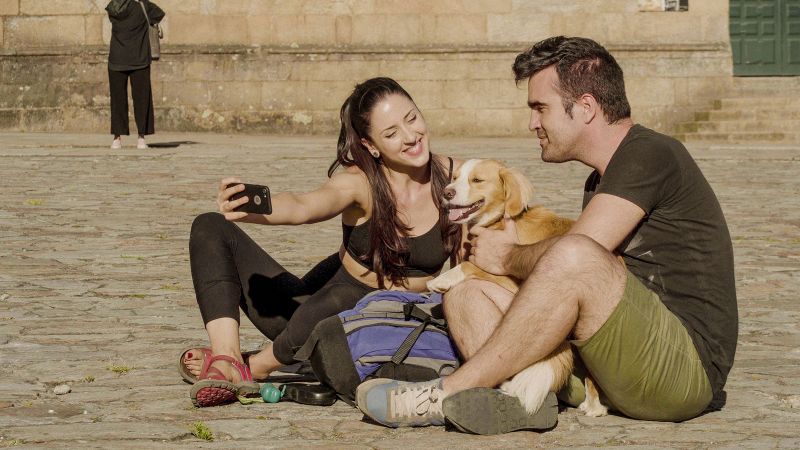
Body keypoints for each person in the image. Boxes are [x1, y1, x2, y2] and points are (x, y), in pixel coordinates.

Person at [356, 36, 738, 434]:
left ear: (586, 107)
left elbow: (575, 260)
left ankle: (446, 393)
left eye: (541, 108)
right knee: (466, 292)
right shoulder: (602, 178)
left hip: (680, 370)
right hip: (606, 364)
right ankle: (521, 400)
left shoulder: (651, 154)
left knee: (576, 254)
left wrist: (504, 257)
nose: (532, 123)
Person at [182, 77, 463, 407]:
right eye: (391, 133)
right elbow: (304, 206)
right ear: (371, 145)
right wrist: (253, 208)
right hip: (317, 314)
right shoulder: (360, 184)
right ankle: (227, 357)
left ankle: (253, 365)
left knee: (343, 300)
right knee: (209, 227)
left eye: (412, 118)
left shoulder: (458, 178)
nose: (410, 136)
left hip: (390, 326)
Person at [105, 0, 164, 149]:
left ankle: (117, 138)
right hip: (140, 59)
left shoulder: (113, 7)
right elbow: (159, 14)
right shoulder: (144, 6)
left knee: (118, 100)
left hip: (117, 58)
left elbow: (112, 11)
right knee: (142, 99)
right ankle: (141, 138)